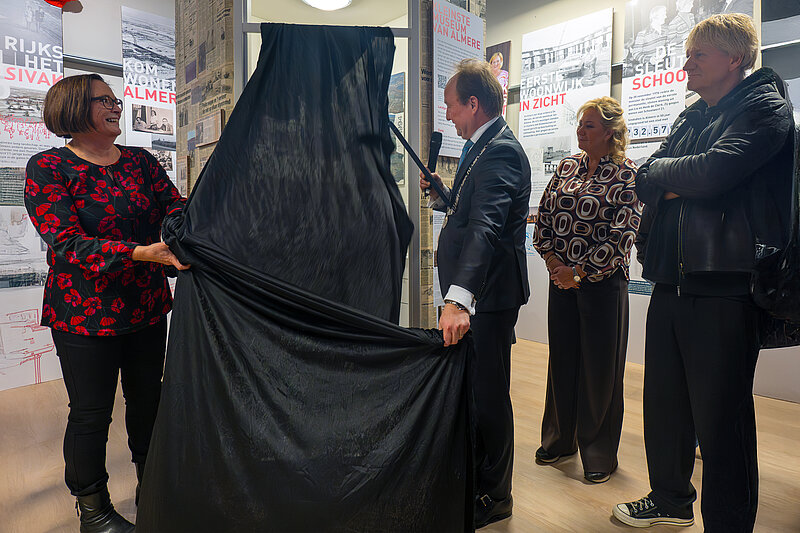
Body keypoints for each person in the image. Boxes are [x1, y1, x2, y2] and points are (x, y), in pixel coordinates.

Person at [614, 14, 794, 532]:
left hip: (724, 286)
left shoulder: (766, 108)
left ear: (733, 60)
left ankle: (728, 522)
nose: (685, 64)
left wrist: (680, 176)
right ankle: (670, 499)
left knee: (722, 421)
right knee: (665, 405)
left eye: (698, 55)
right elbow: (646, 175)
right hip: (671, 280)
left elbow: (714, 173)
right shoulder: (693, 116)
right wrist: (680, 178)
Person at [24, 74, 189, 533]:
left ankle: (151, 487)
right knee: (91, 413)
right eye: (104, 101)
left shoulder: (139, 161)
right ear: (75, 108)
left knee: (147, 403)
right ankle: (93, 509)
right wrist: (141, 252)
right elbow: (66, 242)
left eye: (115, 99)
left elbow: (173, 205)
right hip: (83, 315)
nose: (116, 106)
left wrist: (181, 224)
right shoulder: (48, 168)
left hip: (146, 307)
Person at [419, 59, 531, 529]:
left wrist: (458, 299)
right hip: (481, 295)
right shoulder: (481, 148)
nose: (447, 115)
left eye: (450, 106)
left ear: (473, 103)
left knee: (489, 395)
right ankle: (480, 477)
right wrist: (445, 193)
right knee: (477, 391)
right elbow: (476, 211)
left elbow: (486, 229)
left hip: (489, 296)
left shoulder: (501, 151)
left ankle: (497, 495)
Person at [532, 97, 642, 484]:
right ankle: (560, 440)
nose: (581, 130)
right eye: (580, 124)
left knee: (600, 372)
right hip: (560, 282)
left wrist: (577, 271)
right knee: (561, 362)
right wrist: (554, 266)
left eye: (589, 125)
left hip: (602, 286)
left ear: (610, 133)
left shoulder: (627, 174)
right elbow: (543, 218)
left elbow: (622, 237)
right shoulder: (566, 167)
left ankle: (598, 453)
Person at [489, 52, 509, 118]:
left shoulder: (505, 74)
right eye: (494, 62)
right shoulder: (488, 77)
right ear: (491, 63)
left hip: (501, 105)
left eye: (498, 61)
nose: (496, 64)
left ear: (501, 62)